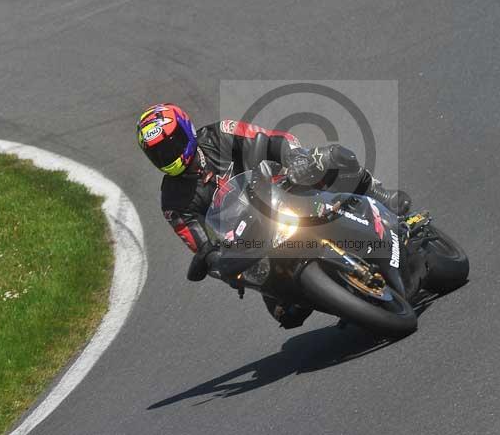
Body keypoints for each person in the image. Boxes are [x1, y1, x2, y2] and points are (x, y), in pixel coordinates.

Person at [136, 103, 411, 328]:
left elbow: (273, 140)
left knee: (329, 158)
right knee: (287, 314)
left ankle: (377, 193)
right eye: (157, 154)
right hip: (253, 241)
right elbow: (199, 244)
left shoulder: (219, 134)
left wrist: (294, 159)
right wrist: (213, 261)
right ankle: (348, 298)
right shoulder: (173, 202)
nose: (166, 155)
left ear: (186, 131)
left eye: (170, 145)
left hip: (283, 189)